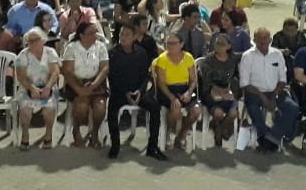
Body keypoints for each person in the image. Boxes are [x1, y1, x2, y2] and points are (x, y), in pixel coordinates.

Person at [106, 24, 166, 160]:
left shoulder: (141, 52)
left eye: (127, 34)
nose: (123, 37)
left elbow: (146, 76)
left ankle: (152, 147)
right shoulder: (113, 53)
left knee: (155, 108)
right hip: (120, 92)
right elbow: (112, 78)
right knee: (112, 111)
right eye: (121, 34)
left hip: (138, 92)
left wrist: (139, 91)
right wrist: (126, 93)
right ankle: (115, 146)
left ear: (134, 37)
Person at [239, 27, 299, 152]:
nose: (262, 41)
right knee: (253, 107)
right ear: (254, 40)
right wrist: (263, 97)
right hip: (254, 91)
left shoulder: (277, 54)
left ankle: (272, 137)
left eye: (265, 38)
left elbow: (283, 79)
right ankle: (263, 134)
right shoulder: (247, 56)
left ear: (270, 40)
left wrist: (274, 96)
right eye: (259, 38)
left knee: (292, 107)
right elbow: (244, 83)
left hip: (275, 90)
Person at [61, 20, 109, 148]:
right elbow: (67, 71)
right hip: (76, 82)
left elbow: (104, 68)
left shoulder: (100, 47)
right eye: (90, 33)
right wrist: (79, 88)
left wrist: (93, 84)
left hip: (96, 81)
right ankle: (76, 130)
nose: (94, 36)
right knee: (81, 105)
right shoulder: (72, 47)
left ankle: (94, 133)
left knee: (100, 107)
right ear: (81, 35)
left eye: (95, 33)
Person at [152, 32, 201, 151]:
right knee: (175, 110)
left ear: (181, 44)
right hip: (168, 90)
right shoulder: (162, 59)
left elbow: (194, 80)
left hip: (185, 88)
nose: (170, 46)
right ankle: (170, 131)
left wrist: (189, 92)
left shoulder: (188, 57)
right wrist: (172, 97)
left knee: (196, 111)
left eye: (173, 43)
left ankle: (183, 133)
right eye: (168, 43)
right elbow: (161, 83)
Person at [14, 27, 60, 149]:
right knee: (25, 108)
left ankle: (48, 135)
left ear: (43, 40)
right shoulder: (22, 55)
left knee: (49, 108)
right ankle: (25, 135)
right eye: (30, 40)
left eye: (36, 39)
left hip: (47, 86)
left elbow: (55, 72)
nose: (33, 42)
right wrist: (31, 88)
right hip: (27, 87)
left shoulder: (50, 52)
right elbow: (21, 76)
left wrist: (48, 87)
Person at [198, 33, 240, 147]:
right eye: (217, 43)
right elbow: (207, 81)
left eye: (222, 44)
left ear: (229, 46)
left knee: (233, 113)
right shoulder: (208, 60)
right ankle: (220, 129)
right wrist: (220, 91)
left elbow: (248, 55)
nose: (219, 46)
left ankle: (218, 129)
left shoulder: (233, 58)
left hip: (227, 91)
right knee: (218, 113)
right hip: (210, 91)